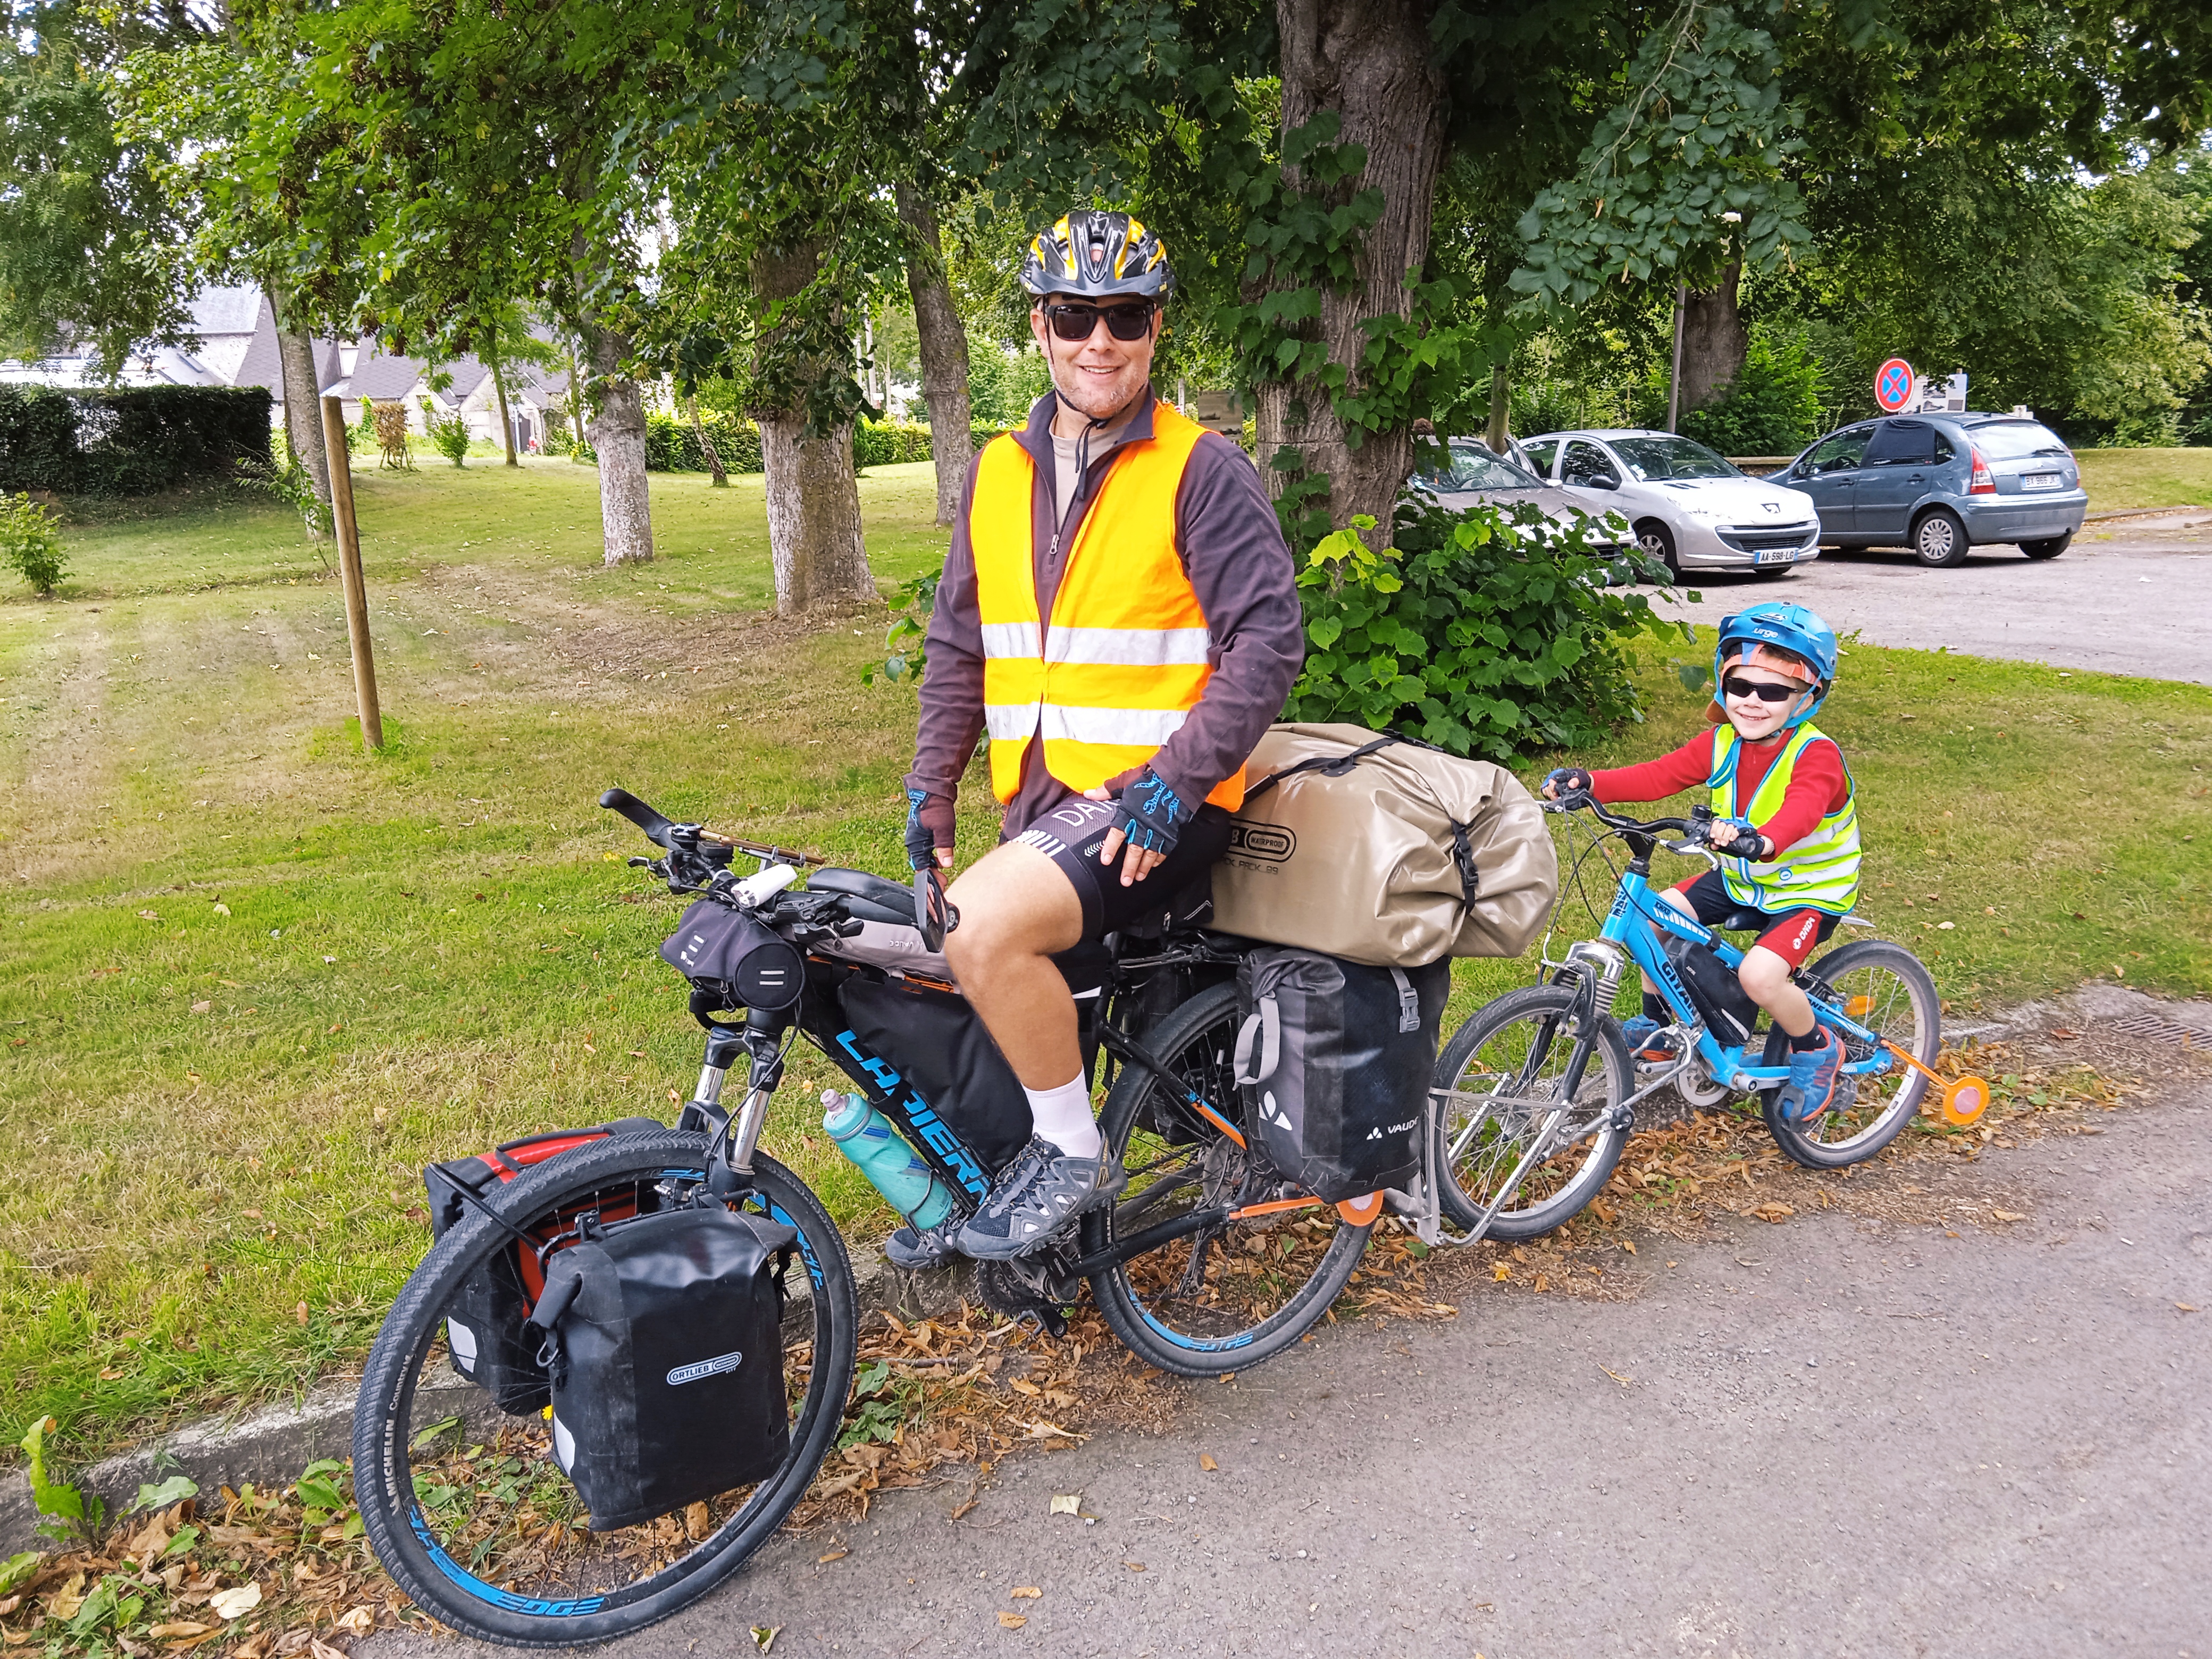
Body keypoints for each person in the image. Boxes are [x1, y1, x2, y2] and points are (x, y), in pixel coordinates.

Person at [894, 210, 1305, 1264]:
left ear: (1154, 329)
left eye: (1123, 317)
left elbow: (1267, 644)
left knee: (977, 929)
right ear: (1039, 325)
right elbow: (958, 647)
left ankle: (1075, 1157)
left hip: (1163, 804)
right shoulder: (999, 471)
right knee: (972, 977)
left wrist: (1173, 787)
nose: (1098, 341)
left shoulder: (1200, 468)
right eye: (1076, 314)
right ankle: (1055, 1254)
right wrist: (930, 795)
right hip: (1042, 802)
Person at [1543, 602, 1859, 1120]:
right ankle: (1660, 1028)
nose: (1753, 702)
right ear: (1722, 684)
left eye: (1774, 691)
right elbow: (1657, 776)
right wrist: (1591, 782)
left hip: (1806, 890)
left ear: (1807, 696)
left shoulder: (1815, 755)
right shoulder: (1721, 743)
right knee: (1653, 916)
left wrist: (1762, 840)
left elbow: (1801, 810)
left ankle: (1815, 1046)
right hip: (1740, 877)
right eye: (1741, 687)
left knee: (1759, 977)